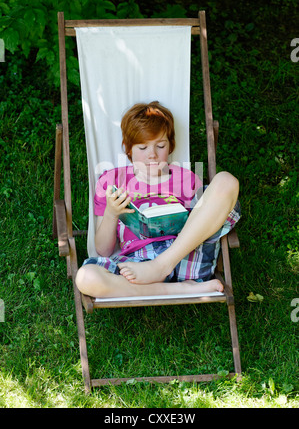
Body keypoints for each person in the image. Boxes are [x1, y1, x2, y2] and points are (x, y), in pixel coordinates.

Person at [75, 101, 241, 298]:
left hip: (185, 257)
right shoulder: (112, 181)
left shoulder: (187, 179)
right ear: (128, 149)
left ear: (171, 146)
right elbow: (103, 250)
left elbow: (207, 221)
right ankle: (180, 288)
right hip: (138, 264)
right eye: (143, 147)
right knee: (86, 277)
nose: (152, 155)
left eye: (160, 146)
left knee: (226, 181)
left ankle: (161, 266)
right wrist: (111, 213)